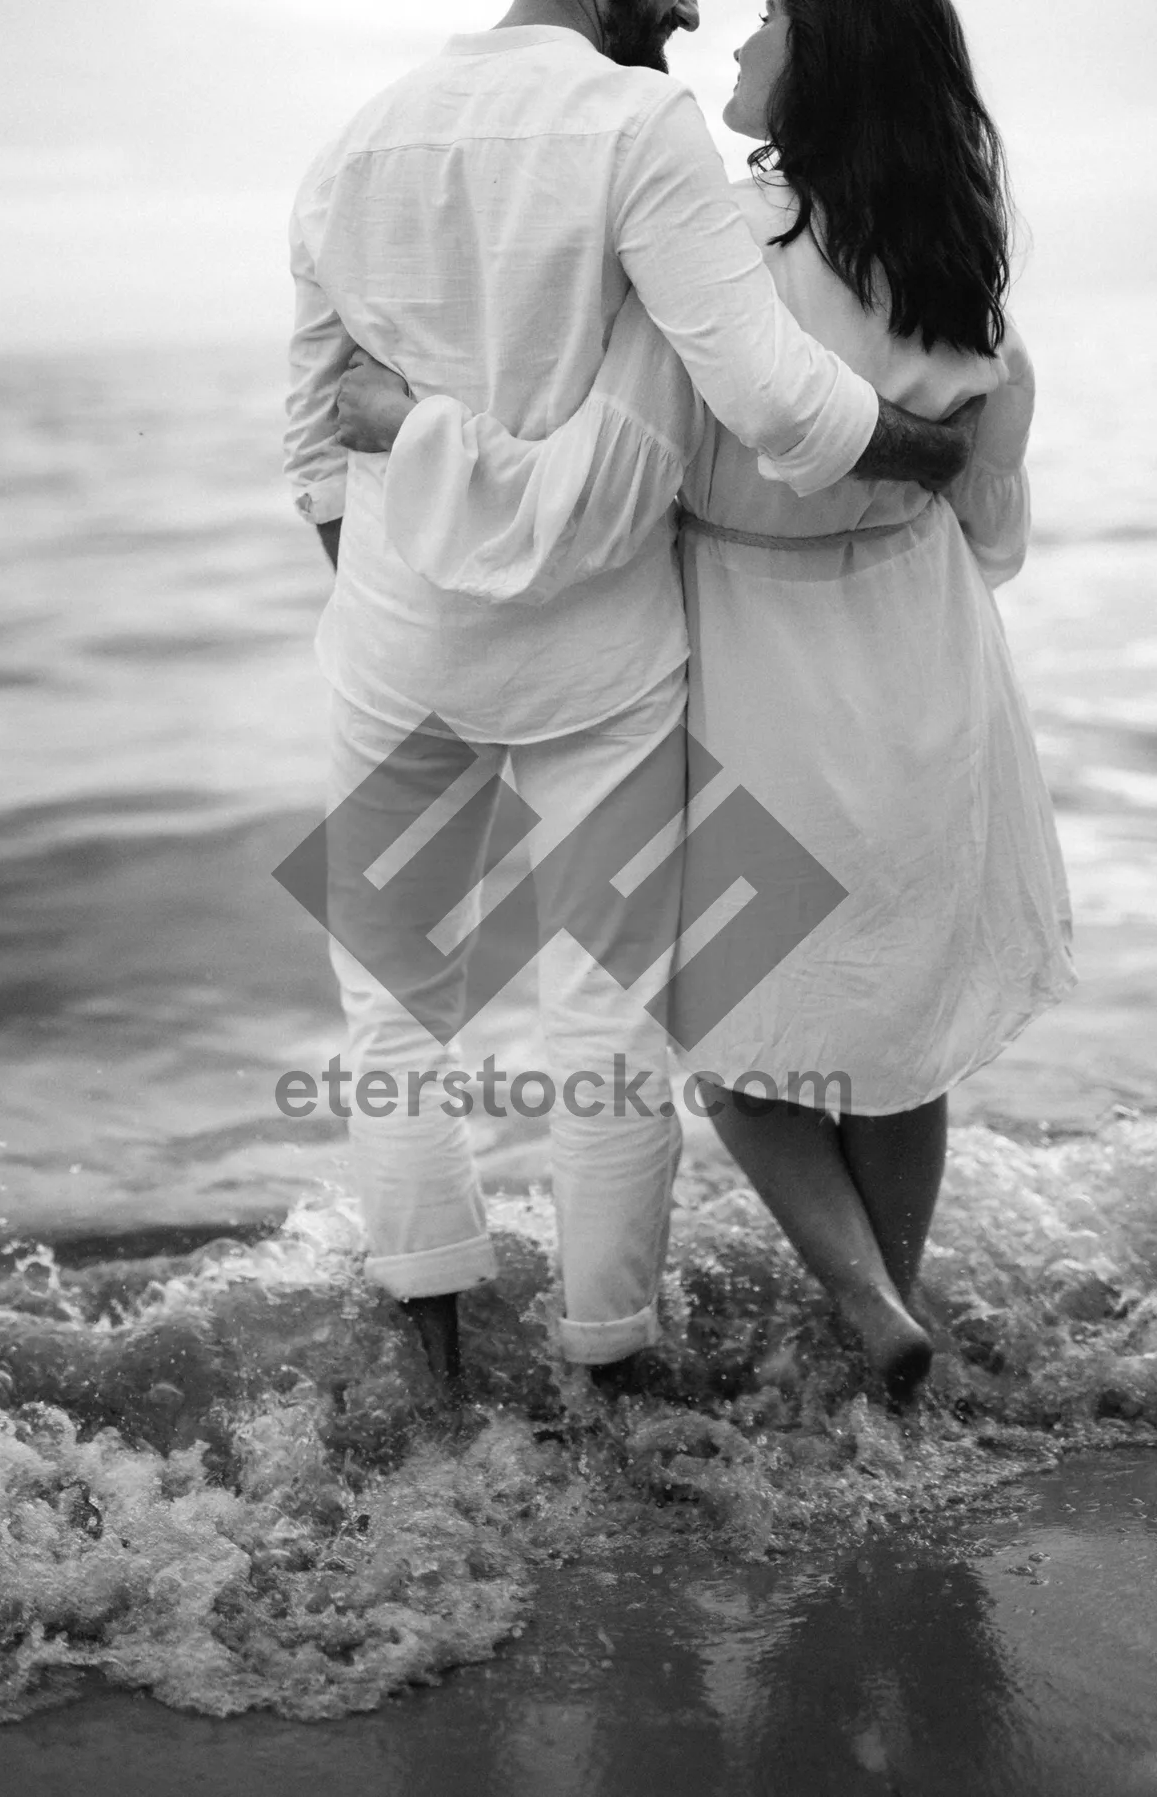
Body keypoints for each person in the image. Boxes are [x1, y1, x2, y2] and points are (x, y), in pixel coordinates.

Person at [340, 0, 1075, 1401]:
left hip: (753, 649)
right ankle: (895, 1305)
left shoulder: (720, 241)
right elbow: (993, 523)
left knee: (733, 1040)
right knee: (899, 1040)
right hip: (925, 643)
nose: (732, 48)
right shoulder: (958, 255)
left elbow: (622, 464)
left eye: (770, 27)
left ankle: (866, 1304)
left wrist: (412, 434)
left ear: (831, 62)